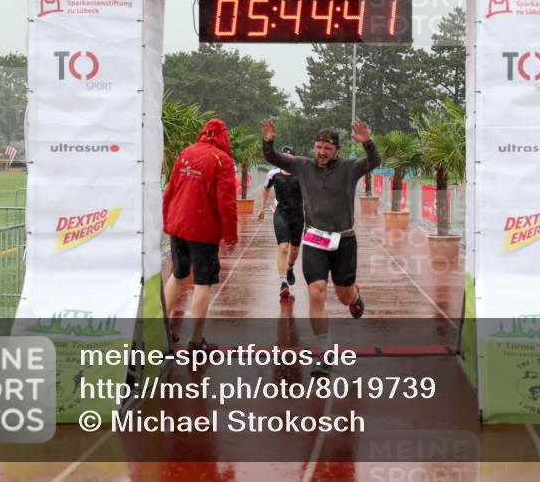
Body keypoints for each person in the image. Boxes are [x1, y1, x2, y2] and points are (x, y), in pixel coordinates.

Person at [261, 119, 381, 375]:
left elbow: (374, 161)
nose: (322, 152)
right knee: (316, 291)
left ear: (336, 149)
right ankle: (324, 354)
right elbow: (273, 157)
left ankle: (354, 296)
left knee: (343, 295)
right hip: (315, 238)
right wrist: (269, 141)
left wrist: (368, 143)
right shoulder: (302, 166)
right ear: (313, 147)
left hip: (344, 239)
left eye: (327, 148)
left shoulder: (349, 168)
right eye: (318, 147)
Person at [162, 118, 239, 350]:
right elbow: (226, 201)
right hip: (203, 228)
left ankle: (161, 331)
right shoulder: (222, 160)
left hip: (178, 225)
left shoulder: (186, 153)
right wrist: (231, 235)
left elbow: (170, 190)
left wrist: (167, 220)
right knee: (203, 282)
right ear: (223, 136)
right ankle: (196, 340)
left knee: (177, 274)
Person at [257, 146, 304, 300]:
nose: (286, 159)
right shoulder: (273, 174)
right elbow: (266, 189)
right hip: (280, 213)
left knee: (294, 250)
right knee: (283, 247)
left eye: (289, 157)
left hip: (297, 215)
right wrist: (262, 207)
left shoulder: (301, 174)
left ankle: (290, 267)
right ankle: (283, 283)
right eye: (284, 156)